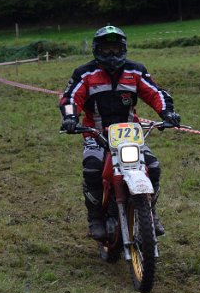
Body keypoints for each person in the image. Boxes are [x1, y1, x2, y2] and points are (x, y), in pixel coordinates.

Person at [59, 25, 181, 240]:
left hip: (130, 135)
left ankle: (150, 213)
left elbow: (155, 93)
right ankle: (95, 218)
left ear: (123, 49)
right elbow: (70, 98)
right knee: (92, 169)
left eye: (115, 49)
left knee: (153, 167)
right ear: (97, 50)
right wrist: (70, 118)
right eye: (106, 50)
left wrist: (167, 113)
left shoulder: (136, 71)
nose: (111, 54)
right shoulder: (84, 73)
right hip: (96, 135)